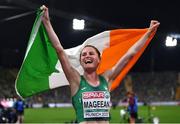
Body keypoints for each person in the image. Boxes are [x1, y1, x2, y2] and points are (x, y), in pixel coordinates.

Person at [41, 5, 160, 123]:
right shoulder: (75, 80)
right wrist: (46, 22)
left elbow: (130, 54)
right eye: (84, 54)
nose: (87, 55)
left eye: (91, 53)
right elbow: (59, 50)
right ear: (81, 62)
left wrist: (148, 33)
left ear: (99, 60)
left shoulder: (107, 78)